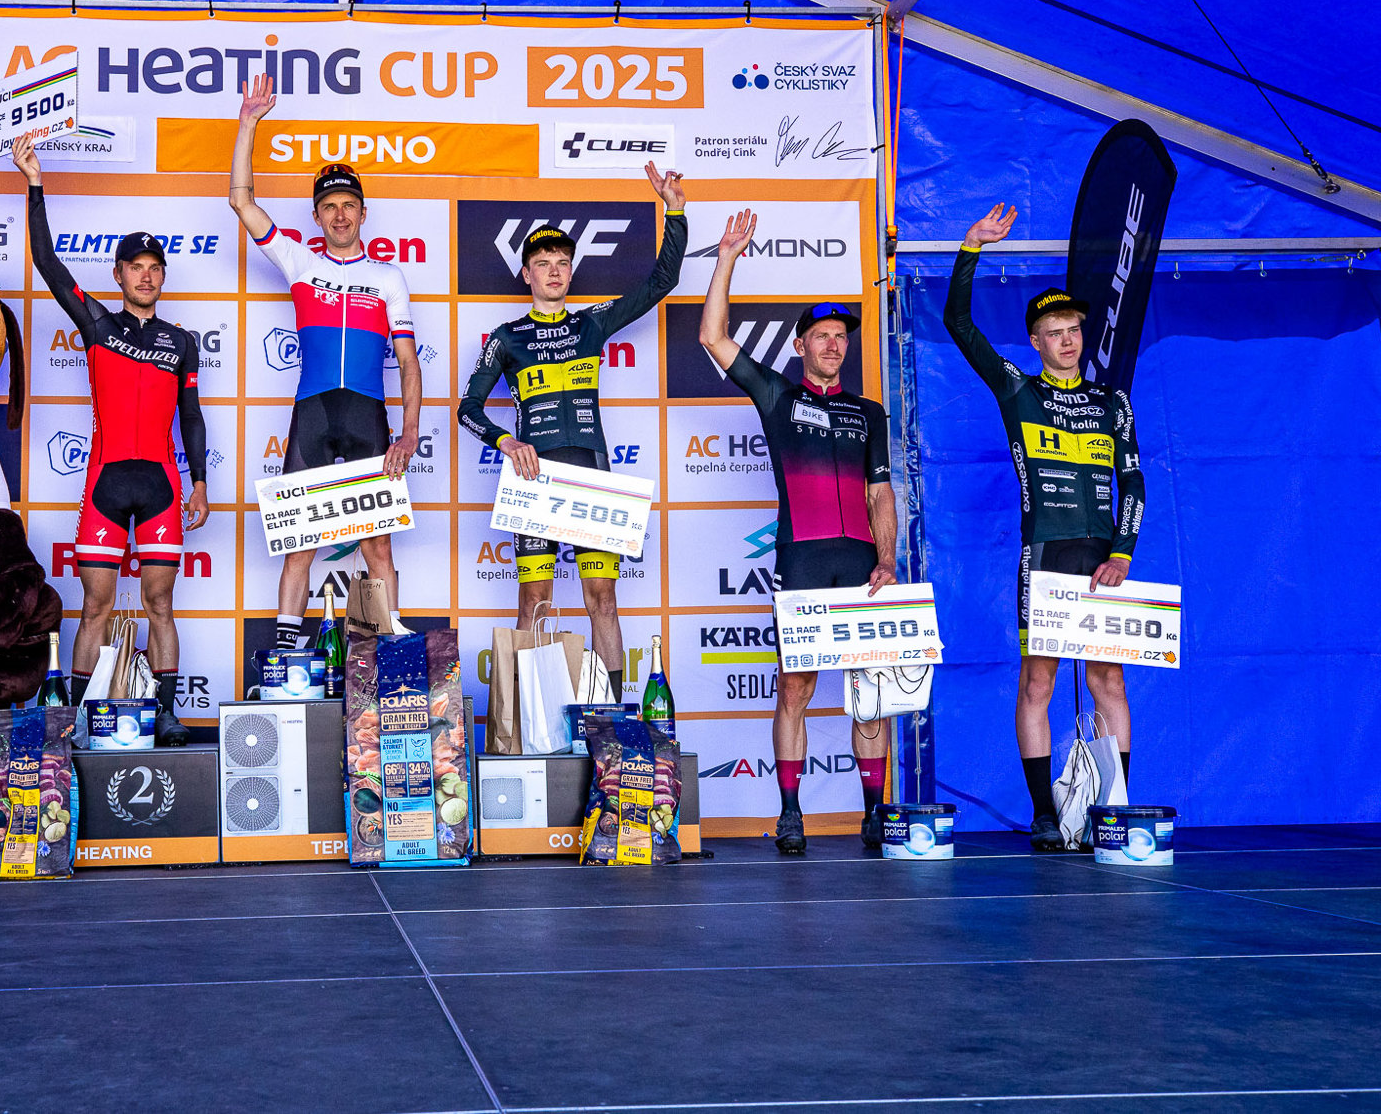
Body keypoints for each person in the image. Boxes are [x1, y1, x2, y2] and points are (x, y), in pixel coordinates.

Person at [698, 209, 897, 855]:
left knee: (870, 691)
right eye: (821, 336)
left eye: (841, 337)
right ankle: (790, 812)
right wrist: (726, 258)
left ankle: (874, 811)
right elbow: (712, 336)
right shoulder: (779, 396)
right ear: (800, 346)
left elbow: (880, 492)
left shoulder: (869, 412)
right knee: (795, 685)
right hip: (803, 557)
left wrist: (887, 559)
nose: (833, 345)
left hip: (862, 562)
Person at [946, 203, 1144, 851]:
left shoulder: (1112, 402)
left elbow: (1134, 483)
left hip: (1103, 559)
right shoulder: (1017, 390)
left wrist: (1122, 552)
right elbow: (958, 324)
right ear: (1035, 341)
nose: (1067, 340)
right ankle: (1042, 814)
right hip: (1045, 556)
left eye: (1074, 329)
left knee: (1108, 681)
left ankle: (1113, 807)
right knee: (1039, 681)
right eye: (1054, 332)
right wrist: (971, 247)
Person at [459, 161, 688, 696]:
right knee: (534, 601)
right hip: (533, 481)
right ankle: (523, 719)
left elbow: (663, 281)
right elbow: (468, 408)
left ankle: (614, 713)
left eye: (562, 262)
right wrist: (506, 441)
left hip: (590, 476)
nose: (554, 271)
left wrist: (674, 212)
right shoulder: (507, 337)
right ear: (527, 274)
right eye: (543, 264)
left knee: (602, 599)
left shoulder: (591, 323)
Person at [17, 133, 209, 746]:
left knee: (160, 605)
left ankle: (165, 713)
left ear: (162, 276)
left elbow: (191, 416)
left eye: (154, 268)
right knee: (95, 606)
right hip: (105, 480)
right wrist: (36, 184)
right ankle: (75, 718)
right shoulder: (97, 324)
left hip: (161, 486)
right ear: (119, 274)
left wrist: (200, 482)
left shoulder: (182, 342)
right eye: (135, 267)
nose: (146, 276)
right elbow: (48, 262)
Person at [229, 74, 422, 648]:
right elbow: (241, 201)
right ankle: (287, 661)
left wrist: (410, 431)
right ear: (316, 217)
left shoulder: (388, 277)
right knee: (299, 544)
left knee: (377, 545)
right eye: (329, 207)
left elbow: (408, 361)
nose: (340, 215)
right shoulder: (299, 262)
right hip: (312, 413)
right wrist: (248, 123)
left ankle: (380, 656)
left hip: (367, 414)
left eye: (349, 206)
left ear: (364, 213)